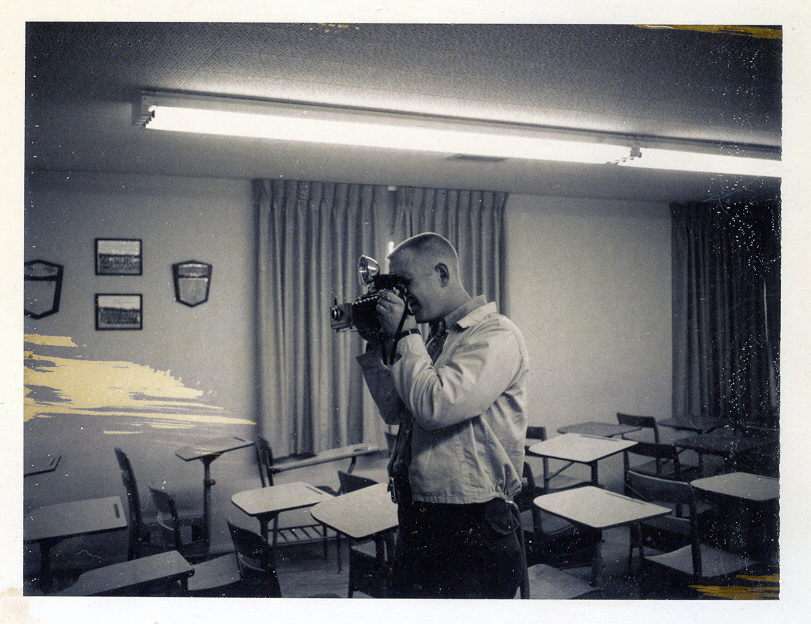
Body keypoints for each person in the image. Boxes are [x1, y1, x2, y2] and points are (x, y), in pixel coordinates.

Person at [355, 232, 529, 598]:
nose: (400, 297)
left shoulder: (496, 335)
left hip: (472, 523)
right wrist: (378, 345)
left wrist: (403, 335)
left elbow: (436, 407)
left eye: (404, 284)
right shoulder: (433, 339)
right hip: (421, 514)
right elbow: (396, 411)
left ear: (443, 273)